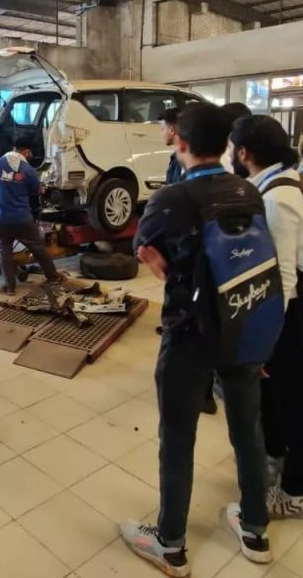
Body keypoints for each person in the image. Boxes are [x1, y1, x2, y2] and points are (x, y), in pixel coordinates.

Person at [122, 103, 271, 577]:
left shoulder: (173, 199)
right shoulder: (248, 189)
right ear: (226, 145)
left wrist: (153, 257)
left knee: (178, 435)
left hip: (189, 333)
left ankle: (170, 543)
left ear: (180, 142)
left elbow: (143, 245)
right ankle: (254, 529)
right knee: (247, 430)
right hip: (244, 324)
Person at [231, 115, 303, 518]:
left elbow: (284, 278)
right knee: (278, 392)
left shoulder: (278, 198)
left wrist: (266, 338)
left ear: (244, 152)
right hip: (297, 310)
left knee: (297, 398)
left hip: (297, 313)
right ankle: (276, 463)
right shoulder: (283, 182)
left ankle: (297, 494)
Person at [0, 133, 61, 295]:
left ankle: (10, 287)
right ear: (26, 151)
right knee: (38, 248)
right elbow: (36, 191)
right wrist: (43, 189)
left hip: (1, 219)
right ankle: (53, 277)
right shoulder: (28, 170)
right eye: (30, 153)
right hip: (22, 219)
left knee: (5, 252)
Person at [160, 107, 183, 184]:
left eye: (162, 129)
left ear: (171, 130)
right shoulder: (178, 156)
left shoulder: (180, 159)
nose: (161, 134)